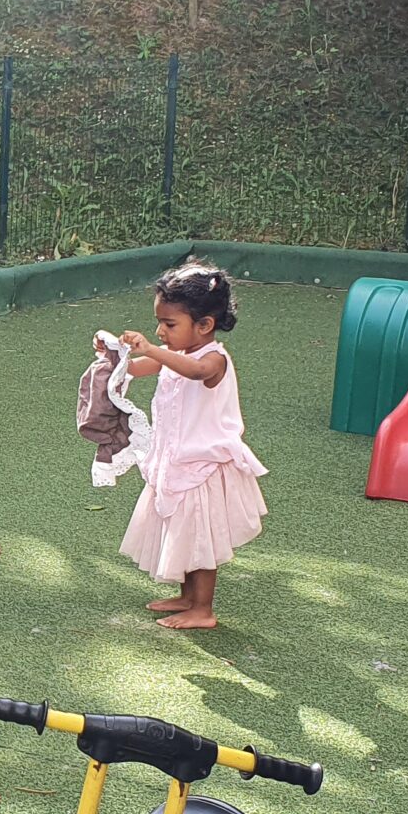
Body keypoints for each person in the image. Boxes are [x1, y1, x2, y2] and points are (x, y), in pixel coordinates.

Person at [107, 263, 266, 632]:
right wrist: (115, 354)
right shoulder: (172, 354)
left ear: (205, 325)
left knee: (200, 538)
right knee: (183, 530)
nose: (160, 332)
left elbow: (195, 372)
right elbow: (137, 369)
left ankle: (203, 608)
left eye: (169, 324)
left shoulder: (213, 359)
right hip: (176, 459)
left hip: (202, 465)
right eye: (159, 323)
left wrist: (152, 349)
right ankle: (186, 597)